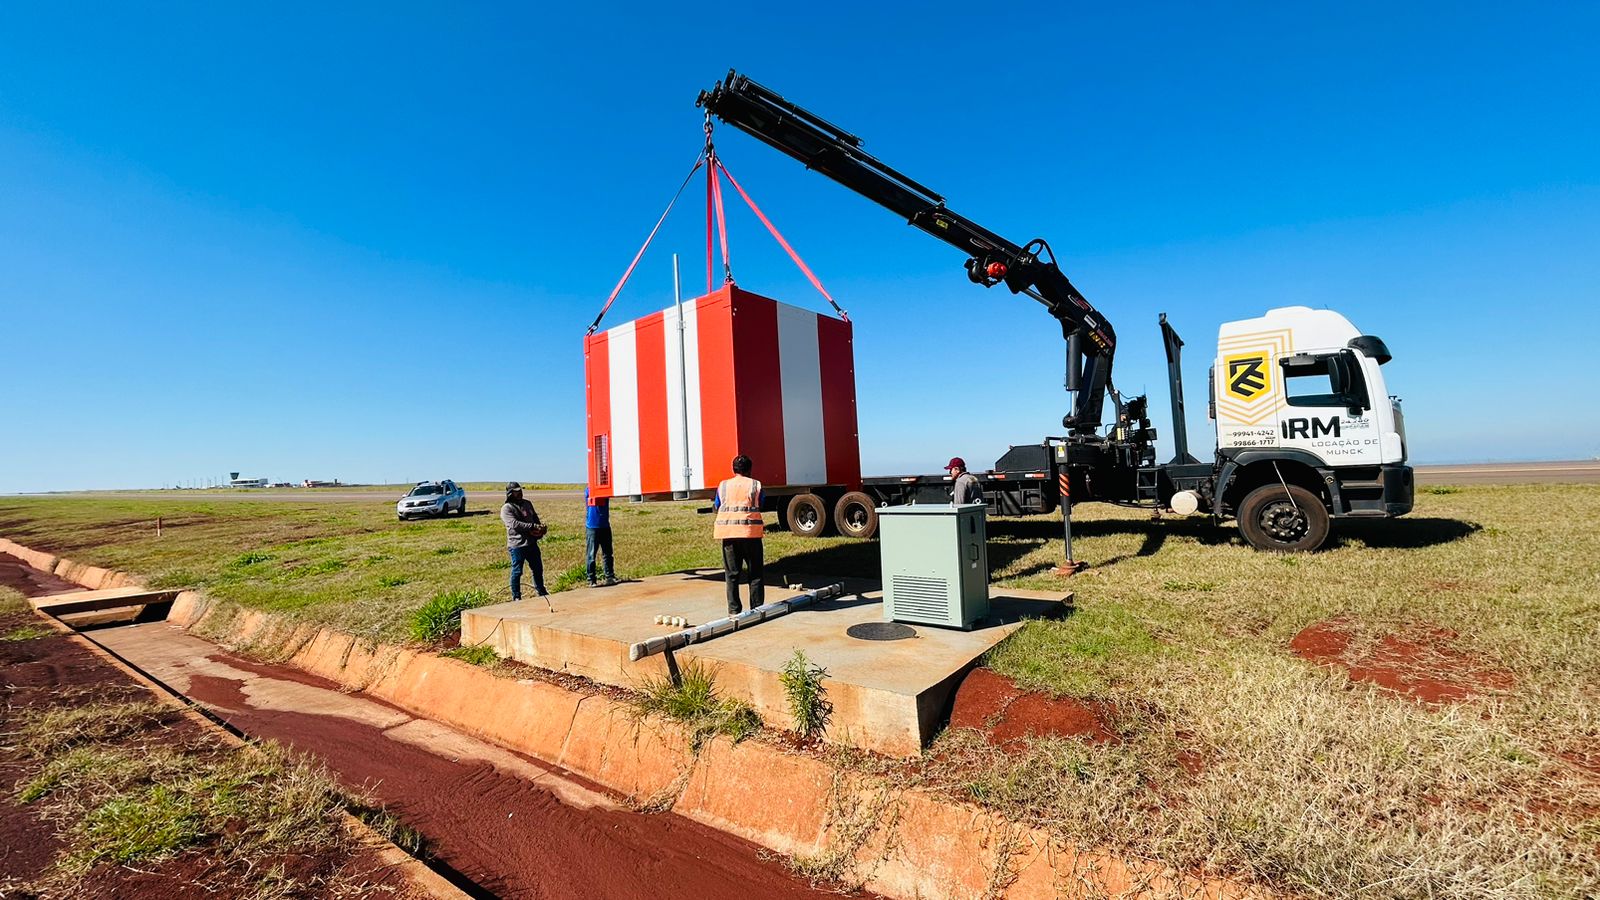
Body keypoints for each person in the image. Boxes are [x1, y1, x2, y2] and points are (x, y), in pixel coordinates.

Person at [713, 454, 765, 616]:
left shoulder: (723, 486)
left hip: (729, 536)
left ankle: (734, 611)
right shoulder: (755, 485)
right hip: (751, 535)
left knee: (732, 575)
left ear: (733, 469)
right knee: (755, 574)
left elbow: (716, 505)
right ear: (749, 469)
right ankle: (756, 610)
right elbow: (760, 504)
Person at [500, 482, 547, 600]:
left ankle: (541, 591)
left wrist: (540, 528)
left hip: (531, 543)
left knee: (537, 568)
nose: (520, 493)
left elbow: (535, 517)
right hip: (517, 545)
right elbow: (515, 524)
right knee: (517, 571)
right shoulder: (507, 508)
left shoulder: (527, 503)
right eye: (516, 491)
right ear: (510, 494)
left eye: (520, 490)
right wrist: (532, 526)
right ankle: (516, 596)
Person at [584, 486, 617, 587]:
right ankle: (591, 579)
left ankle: (609, 576)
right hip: (592, 526)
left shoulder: (606, 490)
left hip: (605, 525)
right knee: (591, 554)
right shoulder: (589, 489)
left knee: (607, 552)